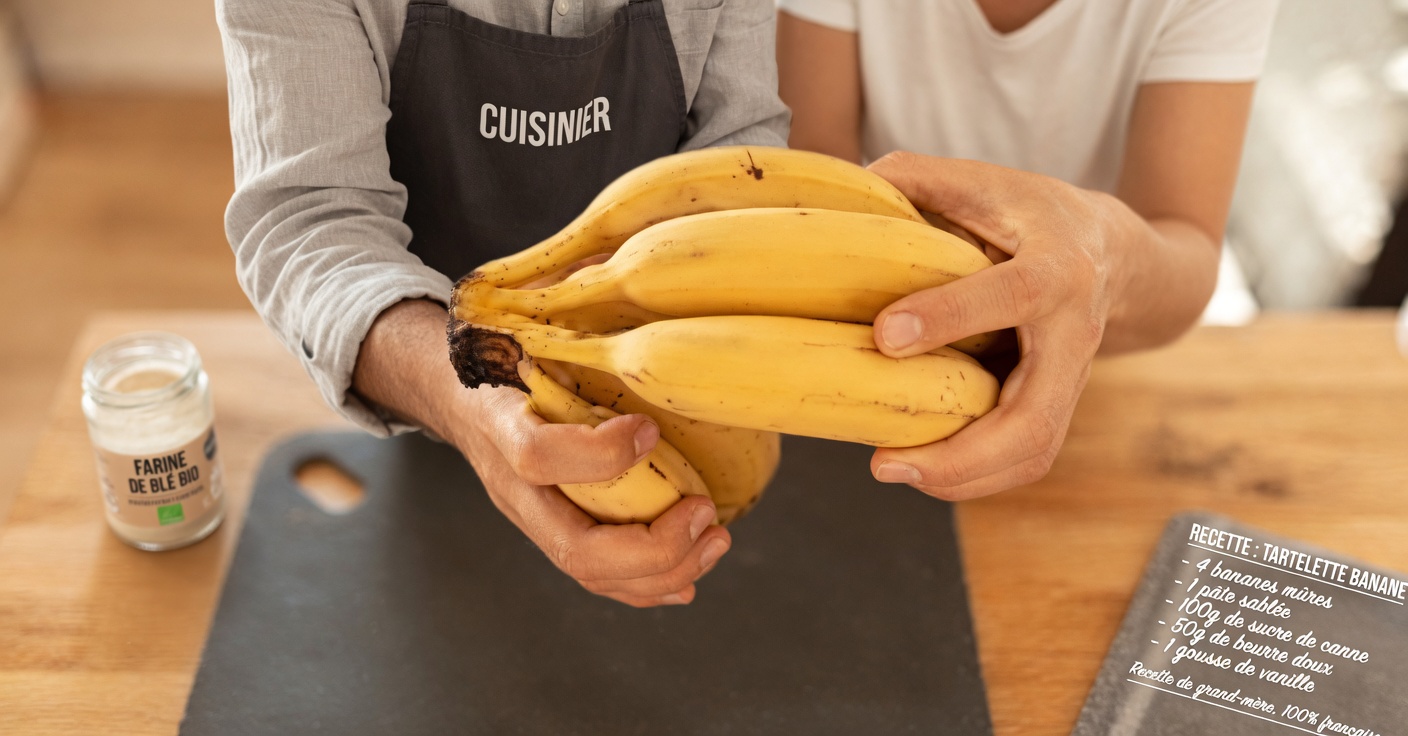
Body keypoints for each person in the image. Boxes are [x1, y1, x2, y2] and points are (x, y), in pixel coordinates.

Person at [216, 0, 789, 608]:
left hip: (672, 408)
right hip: (426, 405)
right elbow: (311, 223)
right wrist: (472, 403)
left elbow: (740, 152)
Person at [777, 0, 1280, 500]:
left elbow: (1187, 251)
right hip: (873, 357)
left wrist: (1102, 255)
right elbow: (811, 182)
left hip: (1081, 397)